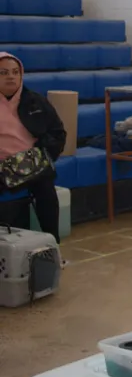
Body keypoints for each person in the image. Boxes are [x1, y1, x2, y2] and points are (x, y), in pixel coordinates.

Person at [0, 52, 67, 244]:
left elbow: (57, 133)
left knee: (46, 189)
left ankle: (52, 245)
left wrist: (41, 154)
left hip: (32, 162)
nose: (11, 77)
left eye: (15, 72)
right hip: (2, 166)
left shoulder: (35, 100)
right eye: (3, 72)